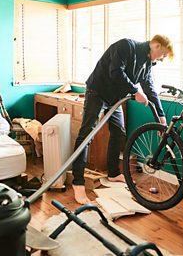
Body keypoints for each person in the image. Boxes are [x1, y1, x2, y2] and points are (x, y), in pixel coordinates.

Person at [72, 35, 174, 204]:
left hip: (115, 98)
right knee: (87, 135)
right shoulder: (126, 46)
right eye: (162, 54)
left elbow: (149, 89)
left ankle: (113, 173)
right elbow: (115, 72)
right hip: (97, 92)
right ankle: (78, 183)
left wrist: (161, 117)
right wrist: (135, 91)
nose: (161, 59)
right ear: (155, 45)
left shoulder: (147, 63)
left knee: (119, 132)